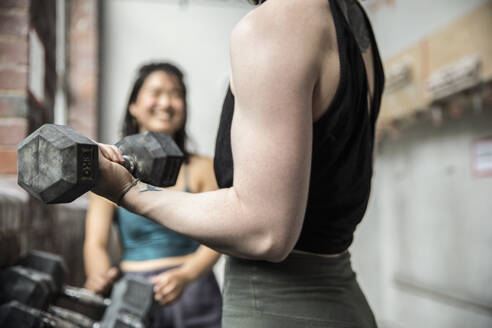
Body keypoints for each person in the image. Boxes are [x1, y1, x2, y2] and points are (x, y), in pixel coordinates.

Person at [93, 0, 385, 326]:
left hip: (276, 309)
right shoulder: (353, 18)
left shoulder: (278, 22)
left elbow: (264, 232)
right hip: (345, 304)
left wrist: (127, 191)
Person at [83, 62, 222, 328]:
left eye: (176, 94)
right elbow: (96, 243)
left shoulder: (202, 168)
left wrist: (187, 275)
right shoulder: (109, 171)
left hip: (194, 293)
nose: (166, 102)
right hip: (132, 297)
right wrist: (98, 275)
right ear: (133, 106)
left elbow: (218, 236)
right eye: (156, 92)